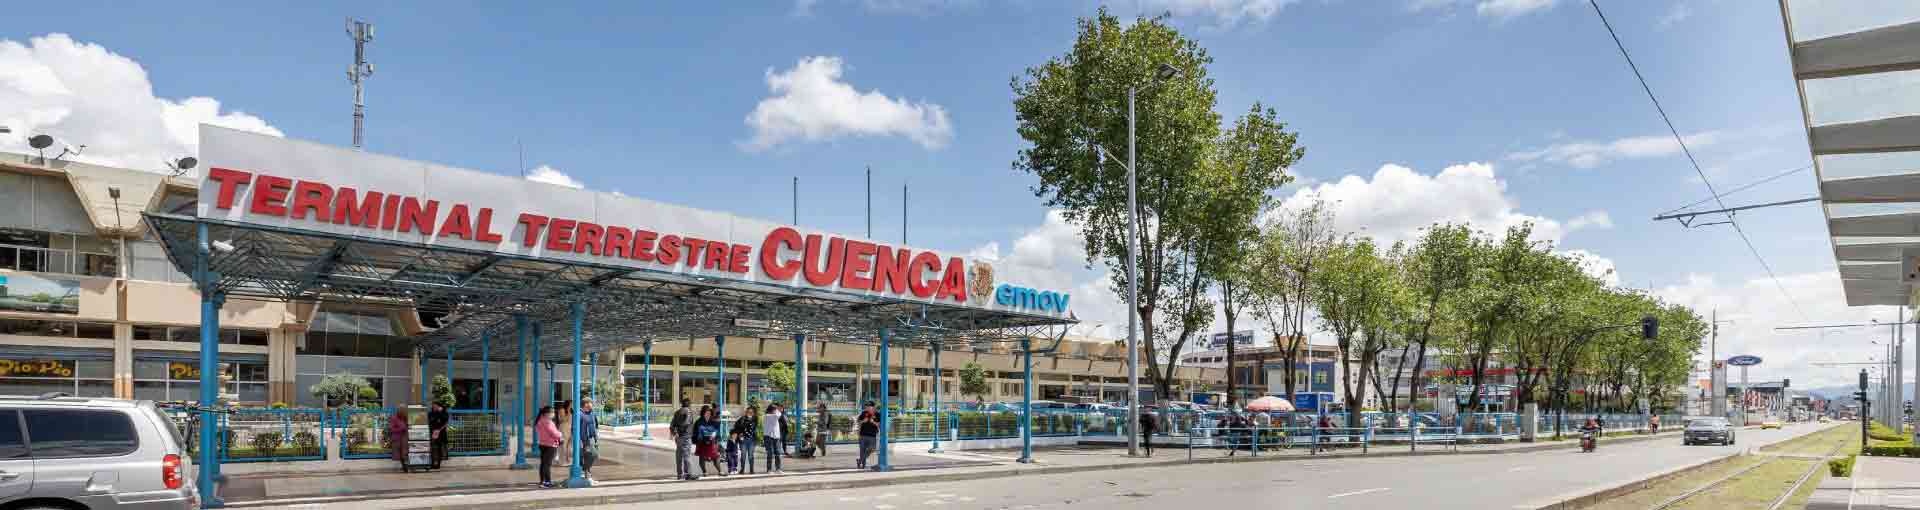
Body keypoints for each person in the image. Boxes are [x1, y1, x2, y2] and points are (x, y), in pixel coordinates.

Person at [533, 406, 560, 488]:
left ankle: (542, 481)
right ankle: (547, 482)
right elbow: (554, 433)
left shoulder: (539, 421)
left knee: (543, 464)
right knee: (547, 464)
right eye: (552, 412)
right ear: (547, 414)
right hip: (550, 445)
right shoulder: (548, 422)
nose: (554, 414)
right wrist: (560, 434)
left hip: (542, 444)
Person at [670, 398, 695, 480]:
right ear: (689, 404)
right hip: (686, 436)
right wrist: (683, 430)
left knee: (679, 455)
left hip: (678, 437)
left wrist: (675, 433)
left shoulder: (677, 412)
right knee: (687, 455)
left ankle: (679, 474)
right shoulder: (689, 412)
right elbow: (687, 423)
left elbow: (672, 425)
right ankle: (688, 473)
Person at [695, 405, 724, 476]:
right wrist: (700, 438)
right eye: (706, 413)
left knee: (715, 456)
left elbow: (717, 428)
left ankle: (720, 471)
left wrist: (714, 434)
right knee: (702, 456)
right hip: (702, 441)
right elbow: (696, 431)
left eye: (709, 413)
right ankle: (704, 471)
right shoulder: (699, 421)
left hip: (712, 441)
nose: (708, 414)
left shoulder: (713, 420)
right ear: (703, 413)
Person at [578, 397, 600, 480]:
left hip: (591, 439)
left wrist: (596, 437)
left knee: (593, 455)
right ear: (586, 404)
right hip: (583, 439)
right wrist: (579, 440)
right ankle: (586, 472)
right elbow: (575, 428)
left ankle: (586, 471)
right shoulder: (580, 414)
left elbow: (596, 425)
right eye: (591, 403)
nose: (592, 404)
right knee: (588, 455)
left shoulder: (592, 413)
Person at [733, 405, 759, 475]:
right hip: (743, 439)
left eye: (751, 412)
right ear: (746, 412)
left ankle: (751, 470)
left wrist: (747, 420)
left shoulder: (755, 419)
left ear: (753, 413)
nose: (750, 413)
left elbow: (754, 427)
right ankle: (742, 469)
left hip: (752, 439)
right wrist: (739, 433)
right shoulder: (742, 419)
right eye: (748, 412)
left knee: (751, 455)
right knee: (743, 455)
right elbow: (736, 426)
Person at [857, 401, 880, 470]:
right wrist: (863, 421)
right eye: (866, 406)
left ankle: (860, 460)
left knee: (872, 448)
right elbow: (858, 421)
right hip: (862, 435)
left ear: (873, 407)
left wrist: (873, 422)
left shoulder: (878, 414)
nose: (867, 407)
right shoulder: (864, 413)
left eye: (869, 406)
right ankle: (862, 465)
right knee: (862, 450)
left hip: (872, 435)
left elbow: (879, 424)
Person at [387, 407, 411, 472]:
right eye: (402, 412)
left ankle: (405, 466)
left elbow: (408, 426)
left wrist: (408, 427)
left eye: (405, 412)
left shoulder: (405, 418)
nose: (404, 413)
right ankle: (404, 466)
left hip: (404, 438)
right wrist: (401, 429)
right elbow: (391, 429)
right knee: (400, 454)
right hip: (397, 439)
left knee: (404, 453)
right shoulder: (393, 418)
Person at [764, 403, 785, 473]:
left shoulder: (775, 415)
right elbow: (778, 414)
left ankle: (778, 468)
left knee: (778, 453)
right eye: (774, 409)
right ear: (771, 410)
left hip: (776, 436)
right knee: (770, 453)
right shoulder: (768, 416)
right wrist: (778, 410)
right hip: (768, 436)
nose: (776, 411)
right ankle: (769, 469)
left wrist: (777, 409)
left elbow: (779, 415)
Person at [428, 402, 450, 470]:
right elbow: (430, 421)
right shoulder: (430, 413)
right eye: (433, 406)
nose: (434, 407)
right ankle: (432, 463)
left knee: (439, 449)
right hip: (432, 433)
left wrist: (440, 412)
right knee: (433, 449)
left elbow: (445, 420)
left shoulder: (444, 413)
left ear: (439, 406)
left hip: (441, 434)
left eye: (436, 406)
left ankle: (438, 464)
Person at [555, 400, 574, 467]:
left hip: (569, 428)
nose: (572, 405)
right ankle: (562, 461)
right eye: (571, 404)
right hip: (563, 428)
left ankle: (567, 460)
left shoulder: (571, 411)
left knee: (569, 446)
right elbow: (563, 419)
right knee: (563, 445)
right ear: (568, 404)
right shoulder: (562, 410)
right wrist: (568, 411)